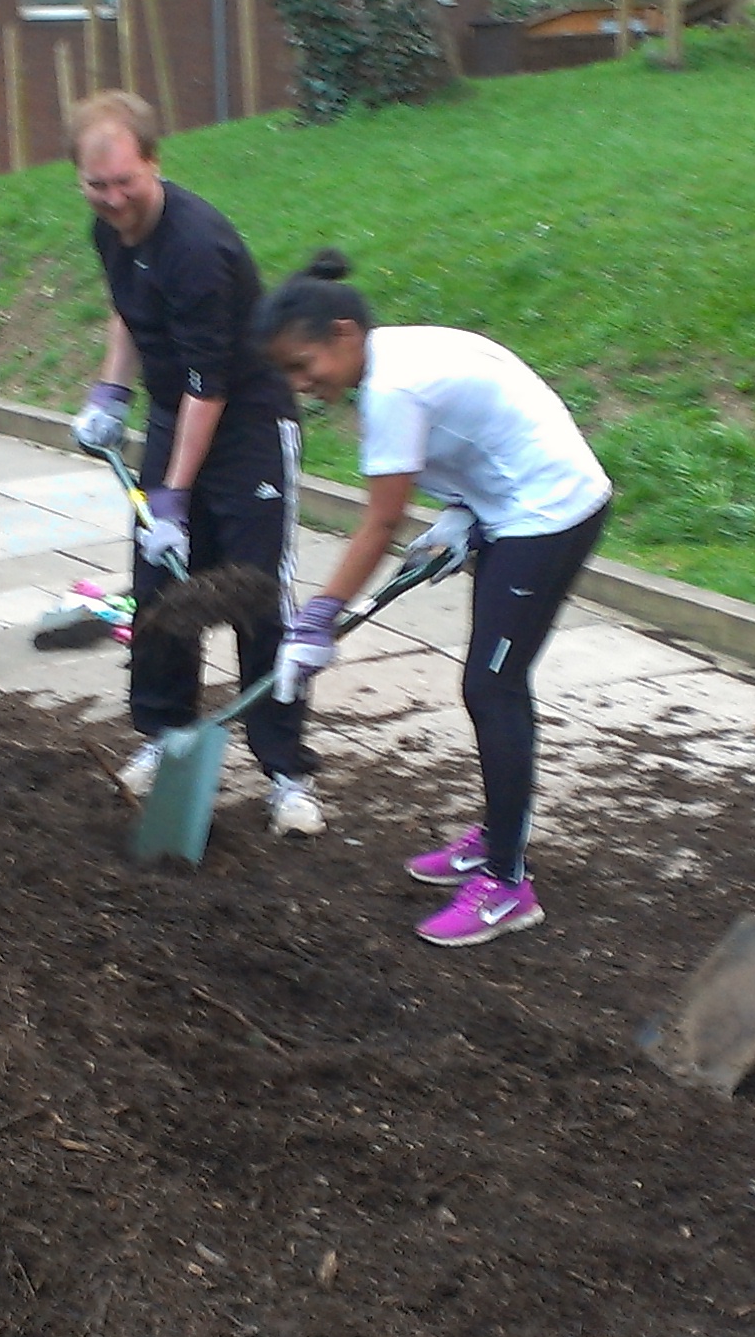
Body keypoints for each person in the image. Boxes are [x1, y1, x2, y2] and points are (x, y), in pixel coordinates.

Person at [261, 251, 613, 947]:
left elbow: (380, 521)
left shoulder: (394, 390)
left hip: (548, 512)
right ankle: (497, 837)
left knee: (493, 687)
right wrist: (462, 512)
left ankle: (508, 884)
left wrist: (318, 616)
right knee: (492, 683)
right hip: (511, 506)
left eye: (306, 367)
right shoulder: (390, 360)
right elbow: (478, 425)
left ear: (344, 332)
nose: (304, 387)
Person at [64, 91, 323, 838]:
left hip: (244, 422)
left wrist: (172, 497)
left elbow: (211, 385)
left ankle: (286, 773)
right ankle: (166, 738)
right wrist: (111, 389)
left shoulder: (198, 247)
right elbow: (127, 307)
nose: (113, 199)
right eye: (97, 185)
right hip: (178, 411)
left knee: (252, 593)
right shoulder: (111, 231)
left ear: (154, 163)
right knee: (160, 593)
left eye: (125, 182)